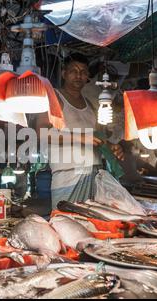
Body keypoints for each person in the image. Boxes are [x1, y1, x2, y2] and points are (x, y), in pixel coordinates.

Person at [34, 53, 124, 208]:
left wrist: (111, 146)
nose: (78, 75)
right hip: (67, 179)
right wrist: (80, 137)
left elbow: (96, 137)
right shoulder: (54, 97)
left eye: (83, 72)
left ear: (88, 76)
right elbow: (41, 132)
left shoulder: (89, 105)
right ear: (64, 73)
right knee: (66, 224)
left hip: (93, 177)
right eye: (73, 71)